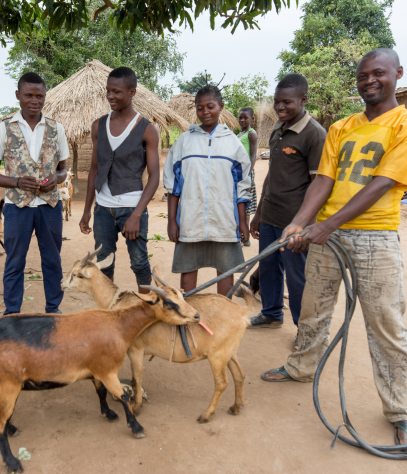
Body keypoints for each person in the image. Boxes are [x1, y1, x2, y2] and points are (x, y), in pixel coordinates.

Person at [263, 48, 407, 446]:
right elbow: (323, 181)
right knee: (313, 309)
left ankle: (400, 409)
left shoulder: (403, 123)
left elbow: (383, 182)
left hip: (375, 237)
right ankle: (301, 367)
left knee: (386, 325)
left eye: (378, 73)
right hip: (327, 234)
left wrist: (326, 225)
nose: (369, 81)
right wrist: (299, 222)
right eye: (362, 76)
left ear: (397, 72)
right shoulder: (342, 127)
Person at [249, 74, 327, 352]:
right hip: (271, 216)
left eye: (287, 102)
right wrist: (259, 212)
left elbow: (320, 184)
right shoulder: (278, 129)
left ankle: (304, 331)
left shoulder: (315, 134)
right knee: (269, 269)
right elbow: (272, 174)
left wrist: (305, 226)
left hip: (296, 224)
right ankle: (271, 313)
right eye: (277, 101)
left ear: (303, 100)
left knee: (298, 280)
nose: (280, 107)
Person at [163, 85, 251, 296]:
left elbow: (242, 187)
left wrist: (242, 222)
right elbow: (173, 186)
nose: (205, 112)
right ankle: (188, 317)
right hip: (190, 220)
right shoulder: (184, 142)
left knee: (225, 270)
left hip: (224, 221)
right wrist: (172, 221)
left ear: (221, 107)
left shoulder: (233, 144)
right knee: (188, 268)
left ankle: (223, 315)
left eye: (210, 107)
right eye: (200, 108)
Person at [79, 67, 159, 291]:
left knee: (139, 262)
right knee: (104, 262)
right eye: (108, 91)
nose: (110, 96)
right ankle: (109, 312)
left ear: (132, 92)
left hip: (132, 206)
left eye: (117, 92)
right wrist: (87, 210)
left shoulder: (147, 129)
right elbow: (94, 169)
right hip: (103, 208)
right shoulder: (98, 126)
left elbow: (154, 177)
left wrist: (136, 214)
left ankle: (146, 309)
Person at [0, 72, 69, 314]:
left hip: (49, 206)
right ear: (18, 95)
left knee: (52, 261)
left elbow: (63, 169)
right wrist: (17, 181)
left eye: (39, 96)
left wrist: (56, 180)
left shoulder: (56, 128)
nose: (34, 100)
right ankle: (12, 315)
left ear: (45, 97)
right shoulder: (4, 128)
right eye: (28, 95)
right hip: (16, 207)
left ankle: (53, 310)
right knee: (14, 262)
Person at [238, 107, 258, 247]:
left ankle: (245, 238)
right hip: (238, 173)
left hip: (247, 173)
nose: (242, 120)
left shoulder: (251, 134)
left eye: (245, 118)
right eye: (240, 118)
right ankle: (242, 235)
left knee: (246, 204)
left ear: (252, 119)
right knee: (240, 203)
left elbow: (253, 156)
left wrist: (248, 174)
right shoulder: (240, 134)